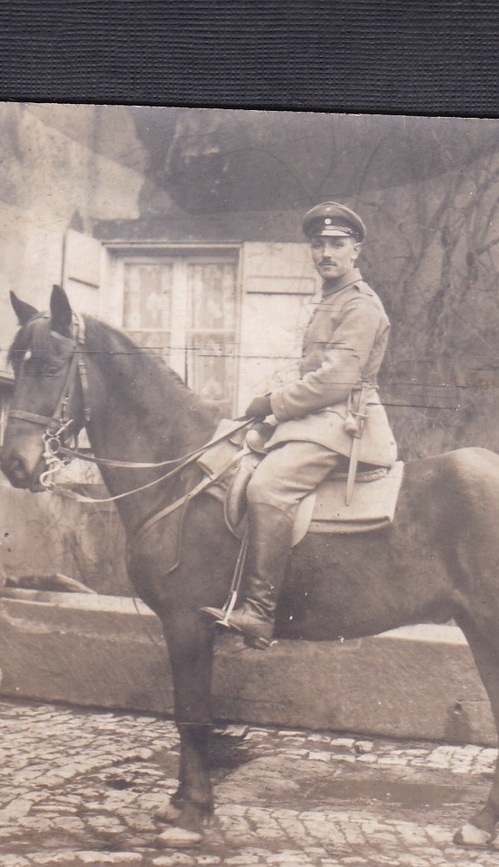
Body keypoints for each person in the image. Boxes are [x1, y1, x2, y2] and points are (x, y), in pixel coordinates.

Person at [202, 202, 398, 647]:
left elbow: (335, 380)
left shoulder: (361, 306)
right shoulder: (332, 299)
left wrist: (274, 402)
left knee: (268, 487)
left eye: (337, 244)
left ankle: (259, 611)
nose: (326, 253)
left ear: (356, 251)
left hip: (343, 424)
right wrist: (270, 411)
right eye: (319, 244)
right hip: (316, 419)